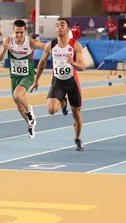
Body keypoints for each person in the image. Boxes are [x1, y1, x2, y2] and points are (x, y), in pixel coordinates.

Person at [31, 18, 86, 150]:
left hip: (72, 83)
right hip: (58, 82)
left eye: (62, 25)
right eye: (57, 25)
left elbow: (83, 66)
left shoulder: (75, 45)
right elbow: (42, 63)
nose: (59, 27)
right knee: (50, 110)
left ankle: (77, 138)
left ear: (68, 29)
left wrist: (72, 63)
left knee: (76, 114)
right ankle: (63, 103)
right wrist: (36, 79)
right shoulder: (51, 45)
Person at [0, 19, 46, 139]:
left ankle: (29, 111)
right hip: (14, 76)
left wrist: (57, 49)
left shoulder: (30, 42)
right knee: (19, 106)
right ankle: (30, 125)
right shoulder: (8, 40)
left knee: (18, 94)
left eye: (21, 33)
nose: (18, 35)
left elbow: (45, 46)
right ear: (13, 31)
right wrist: (4, 49)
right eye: (16, 32)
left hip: (28, 75)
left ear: (25, 31)